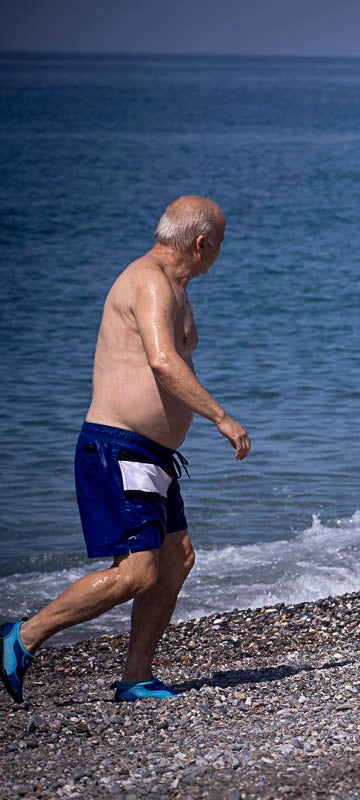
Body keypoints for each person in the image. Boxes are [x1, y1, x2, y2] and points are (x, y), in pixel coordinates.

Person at [2, 196, 251, 704]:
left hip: (152, 455)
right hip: (119, 449)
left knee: (176, 559)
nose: (219, 253)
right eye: (220, 243)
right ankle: (20, 637)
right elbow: (162, 363)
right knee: (138, 571)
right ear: (202, 244)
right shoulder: (148, 280)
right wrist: (220, 416)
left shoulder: (176, 288)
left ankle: (136, 675)